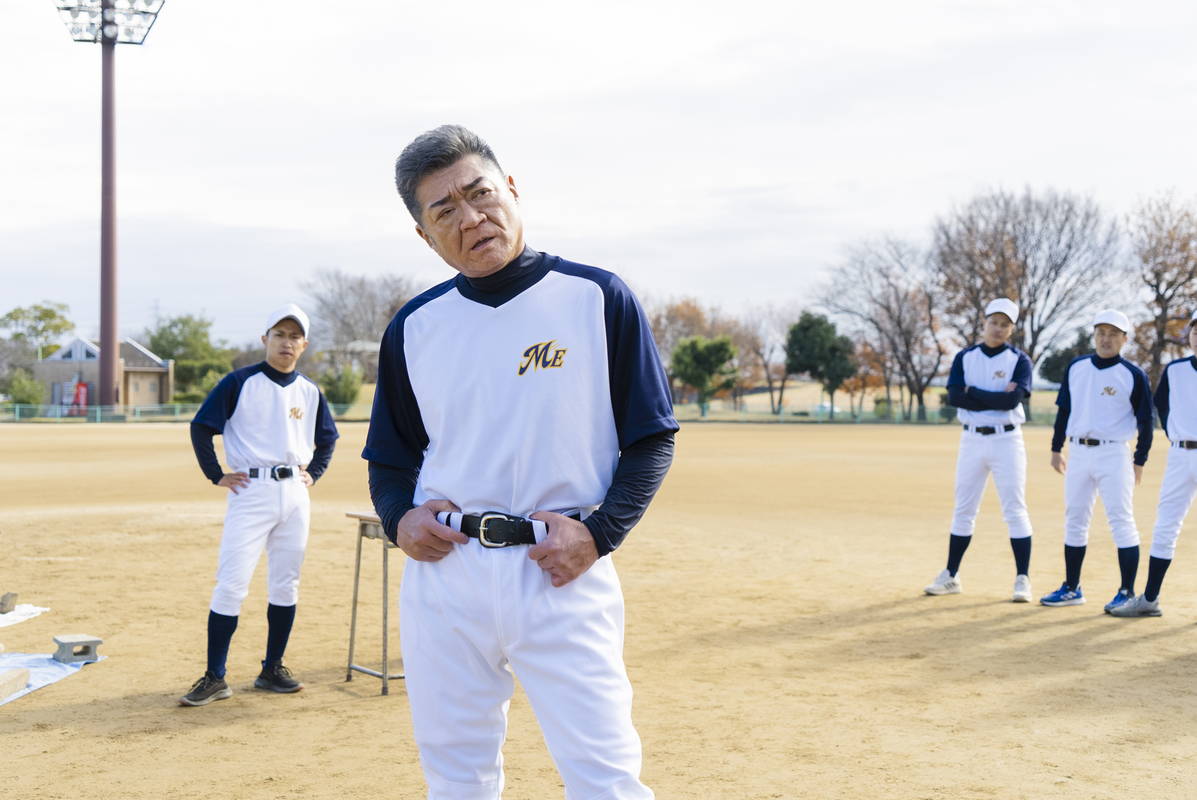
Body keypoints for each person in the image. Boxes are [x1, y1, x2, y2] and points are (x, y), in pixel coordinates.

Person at [364, 125, 676, 800]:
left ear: (511, 188)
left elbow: (651, 437)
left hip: (559, 567)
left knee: (605, 781)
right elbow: (389, 458)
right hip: (447, 576)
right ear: (424, 235)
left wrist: (599, 534)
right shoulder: (414, 327)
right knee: (456, 780)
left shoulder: (594, 297)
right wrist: (398, 519)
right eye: (443, 209)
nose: (471, 217)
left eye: (479, 193)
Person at [179, 304, 339, 706]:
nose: (287, 342)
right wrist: (215, 473)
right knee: (232, 583)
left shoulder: (309, 390)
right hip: (251, 489)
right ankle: (215, 676)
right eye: (280, 334)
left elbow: (328, 437)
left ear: (304, 344)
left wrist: (314, 472)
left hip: (294, 492)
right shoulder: (240, 382)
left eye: (295, 336)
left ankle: (273, 668)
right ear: (265, 339)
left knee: (287, 583)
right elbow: (202, 426)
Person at [1041, 309, 1152, 611]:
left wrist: (1139, 461)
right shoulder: (1076, 368)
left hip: (1114, 453)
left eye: (1113, 334)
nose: (1106, 339)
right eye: (1101, 332)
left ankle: (1127, 591)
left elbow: (1146, 422)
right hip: (1078, 452)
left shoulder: (1132, 375)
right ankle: (1071, 588)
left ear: (1124, 339)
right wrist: (1056, 448)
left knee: (1121, 521)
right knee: (1075, 519)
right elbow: (1064, 410)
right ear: (1094, 335)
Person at [925, 298, 1035, 602]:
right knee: (964, 508)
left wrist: (974, 393)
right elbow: (955, 397)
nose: (998, 328)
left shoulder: (1019, 360)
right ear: (984, 323)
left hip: (1007, 439)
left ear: (1011, 329)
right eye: (993, 322)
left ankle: (1022, 578)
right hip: (972, 439)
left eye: (1004, 324)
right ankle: (951, 575)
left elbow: (1011, 402)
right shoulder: (966, 357)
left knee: (1014, 508)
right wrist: (988, 397)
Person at [1113, 310, 1197, 617]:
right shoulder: (1175, 370)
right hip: (1180, 454)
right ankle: (1149, 599)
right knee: (1166, 525)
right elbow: (1161, 405)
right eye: (1196, 331)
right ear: (1189, 336)